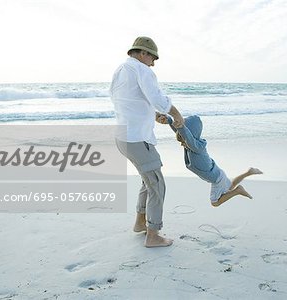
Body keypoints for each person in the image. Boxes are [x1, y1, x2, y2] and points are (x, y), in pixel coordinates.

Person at [110, 37, 184, 248]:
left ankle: (140, 223)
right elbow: (158, 98)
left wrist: (152, 115)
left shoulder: (120, 70)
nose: (153, 63)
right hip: (137, 139)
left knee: (147, 181)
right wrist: (176, 114)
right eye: (153, 57)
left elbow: (128, 102)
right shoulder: (143, 70)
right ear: (143, 53)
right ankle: (153, 235)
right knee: (157, 185)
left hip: (123, 137)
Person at [156, 113, 263, 206]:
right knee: (230, 186)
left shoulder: (196, 147)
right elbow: (180, 130)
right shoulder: (191, 145)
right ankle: (249, 172)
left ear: (189, 136)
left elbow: (185, 133)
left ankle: (238, 191)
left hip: (216, 179)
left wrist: (179, 126)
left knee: (215, 202)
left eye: (182, 139)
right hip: (217, 173)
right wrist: (170, 120)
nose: (181, 141)